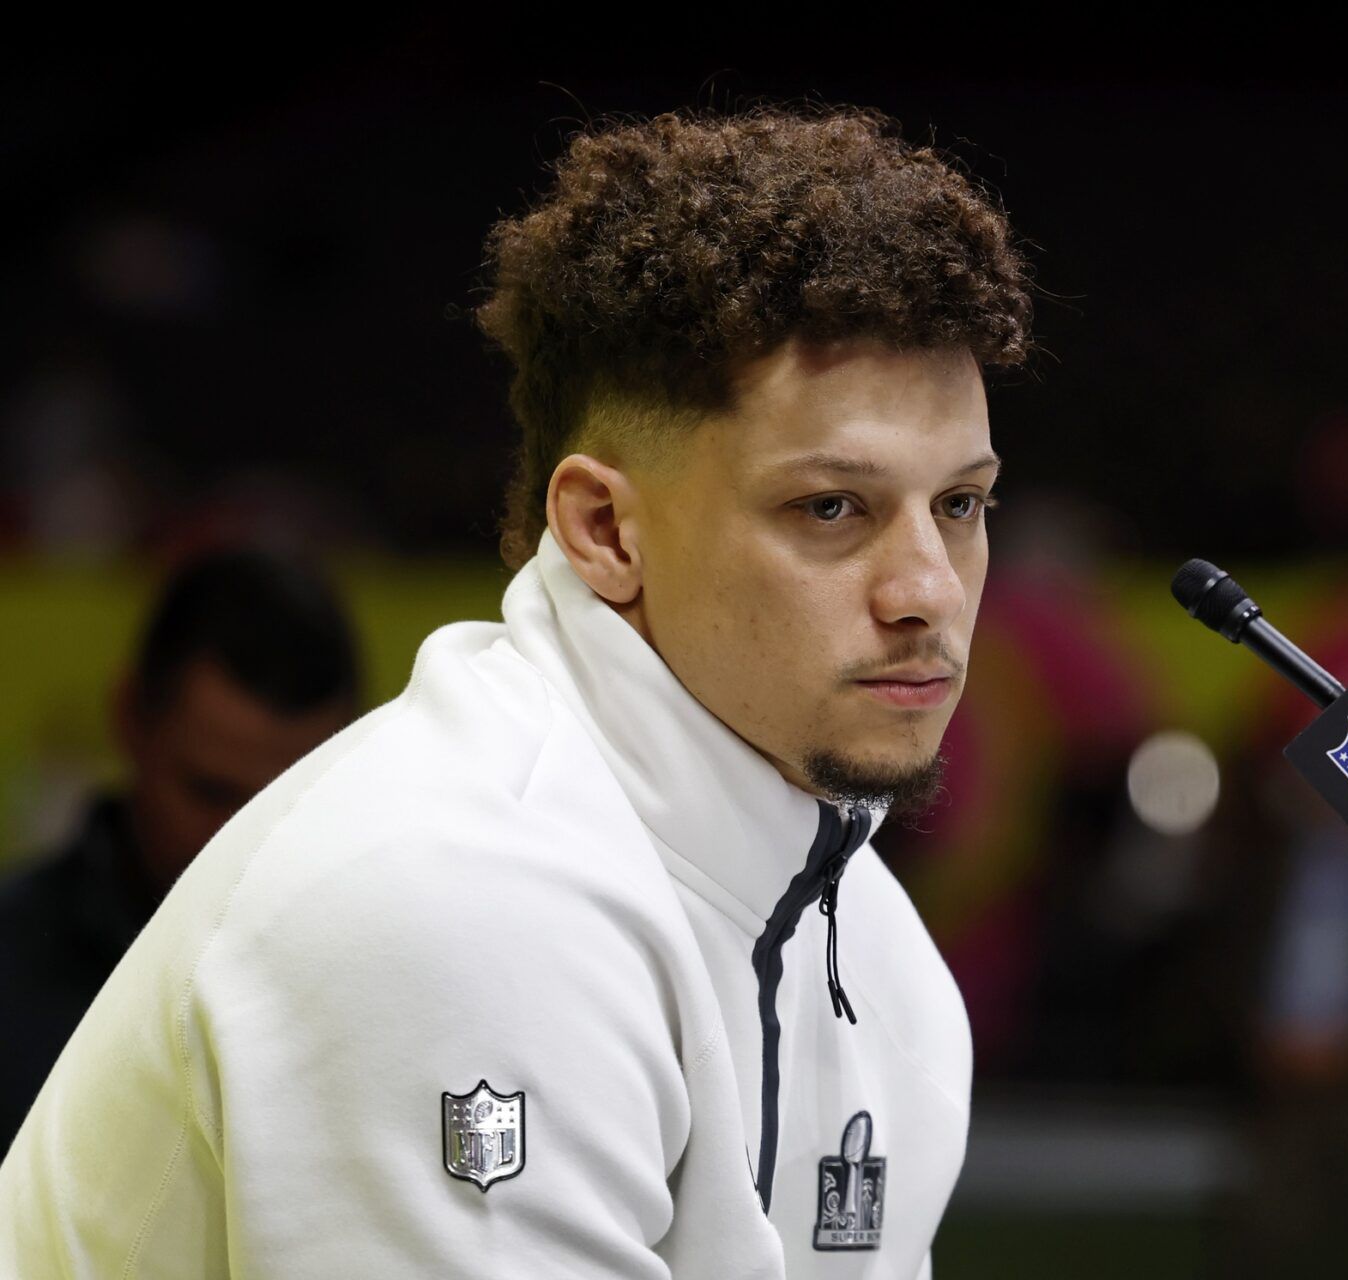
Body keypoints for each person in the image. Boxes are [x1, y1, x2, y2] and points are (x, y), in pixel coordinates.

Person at [0, 105, 1034, 1278]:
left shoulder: (880, 960)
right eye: (830, 508)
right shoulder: (457, 890)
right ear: (603, 528)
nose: (928, 591)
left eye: (960, 504)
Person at [0, 546, 359, 1154]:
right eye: (210, 792)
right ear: (129, 720)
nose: (244, 843)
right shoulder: (12, 972)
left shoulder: (380, 983)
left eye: (289, 802)